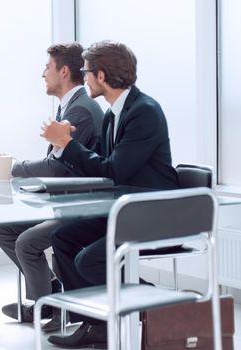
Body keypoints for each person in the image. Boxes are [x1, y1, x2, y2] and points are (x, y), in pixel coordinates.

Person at [40, 40, 179, 348]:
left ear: (101, 76)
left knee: (90, 260)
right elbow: (101, 166)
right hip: (126, 212)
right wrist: (66, 144)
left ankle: (162, 304)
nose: (84, 76)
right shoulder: (115, 113)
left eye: (86, 71)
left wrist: (67, 144)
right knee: (63, 239)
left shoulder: (144, 111)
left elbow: (114, 170)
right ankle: (98, 325)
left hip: (154, 214)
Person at [0, 43, 104, 331]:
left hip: (80, 207)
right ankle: (50, 295)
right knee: (3, 228)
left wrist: (15, 168)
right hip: (62, 201)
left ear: (63, 71)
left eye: (47, 67)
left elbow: (57, 167)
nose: (43, 74)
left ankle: (53, 307)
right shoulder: (70, 106)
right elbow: (58, 162)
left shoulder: (80, 111)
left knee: (26, 242)